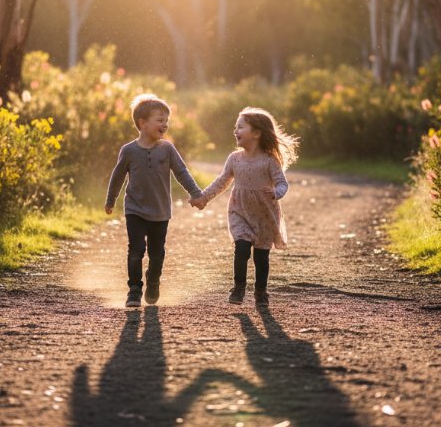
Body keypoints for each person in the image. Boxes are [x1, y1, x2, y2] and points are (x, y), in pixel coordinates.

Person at [191, 107, 299, 305]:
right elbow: (222, 181)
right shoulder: (234, 158)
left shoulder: (269, 160)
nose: (235, 131)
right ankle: (239, 287)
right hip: (240, 211)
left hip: (265, 213)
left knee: (261, 257)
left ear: (256, 133)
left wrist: (277, 193)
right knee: (241, 247)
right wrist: (204, 197)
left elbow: (282, 183)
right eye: (235, 127)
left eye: (240, 127)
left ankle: (260, 291)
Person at [106, 94, 203, 307]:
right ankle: (134, 289)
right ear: (142, 123)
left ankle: (153, 281)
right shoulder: (129, 150)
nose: (165, 124)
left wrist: (196, 193)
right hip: (135, 209)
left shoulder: (167, 149)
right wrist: (111, 199)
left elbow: (182, 172)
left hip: (160, 212)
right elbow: (118, 176)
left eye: (166, 120)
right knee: (136, 249)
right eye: (160, 120)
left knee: (157, 254)